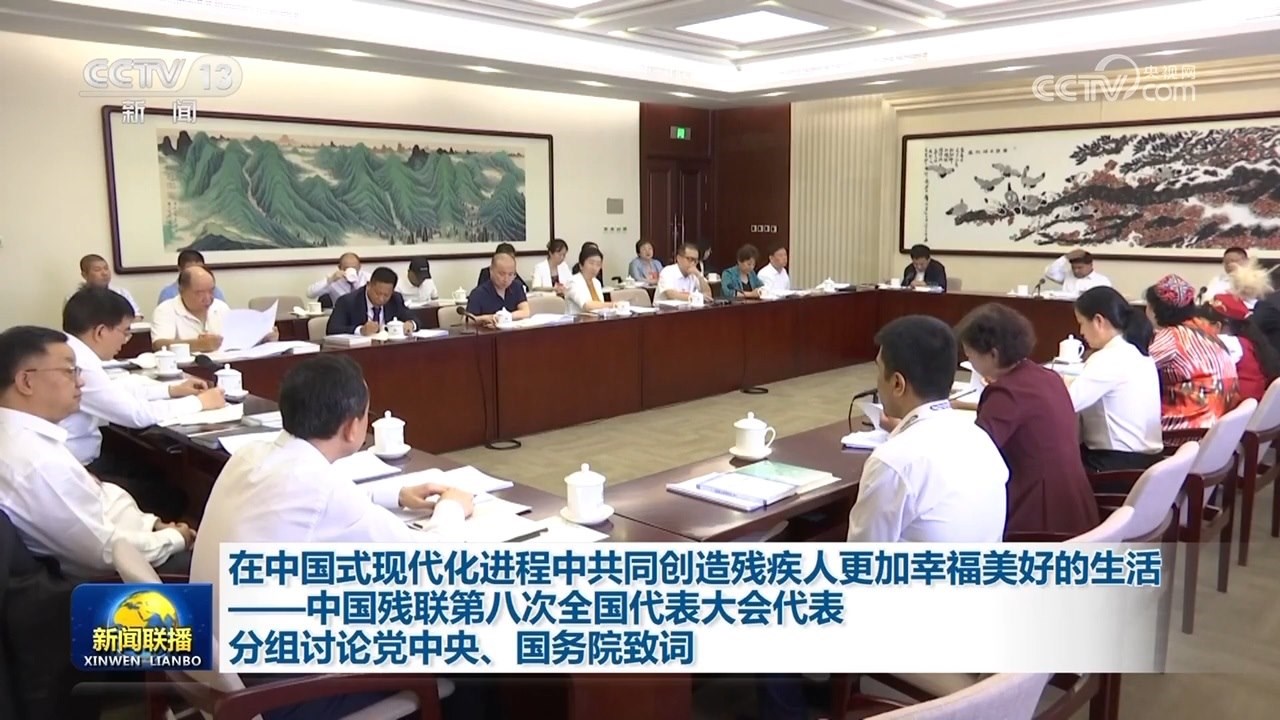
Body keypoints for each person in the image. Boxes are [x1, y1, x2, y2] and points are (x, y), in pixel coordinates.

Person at [190, 355, 489, 720]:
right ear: (351, 428)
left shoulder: (251, 455)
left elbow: (315, 506)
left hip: (225, 659)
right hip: (281, 691)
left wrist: (395, 494)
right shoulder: (319, 488)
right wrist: (453, 506)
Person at [0, 326, 193, 578]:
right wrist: (174, 538)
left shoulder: (25, 436)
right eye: (69, 371)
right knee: (221, 564)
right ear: (26, 382)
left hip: (121, 541)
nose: (80, 381)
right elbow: (104, 553)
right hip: (106, 580)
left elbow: (98, 498)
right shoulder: (38, 462)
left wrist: (150, 525)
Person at [955, 303, 1099, 536]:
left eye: (970, 355)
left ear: (993, 354)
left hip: (1038, 518)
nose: (970, 362)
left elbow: (976, 457)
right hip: (1076, 508)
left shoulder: (1006, 393)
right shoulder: (1048, 376)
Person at [61, 287, 224, 470]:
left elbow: (112, 391)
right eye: (125, 332)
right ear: (100, 332)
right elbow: (136, 415)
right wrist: (199, 402)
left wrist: (171, 390)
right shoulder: (80, 365)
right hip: (77, 466)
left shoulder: (68, 350)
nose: (126, 340)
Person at [1069, 287, 1164, 472]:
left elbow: (1065, 403)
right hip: (1146, 461)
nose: (1081, 331)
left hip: (1116, 465)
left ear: (1098, 321)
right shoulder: (1136, 351)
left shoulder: (1109, 357)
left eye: (1081, 323)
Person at [1146, 274, 1240, 431]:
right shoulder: (1206, 331)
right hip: (1220, 428)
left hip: (1190, 429)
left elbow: (1133, 370)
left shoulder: (1172, 337)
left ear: (1154, 309)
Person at [1203, 293, 1280, 403]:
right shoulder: (1252, 343)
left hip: (1236, 404)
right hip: (1250, 404)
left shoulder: (1230, 345)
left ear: (1219, 325)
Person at [152, 265, 231, 352]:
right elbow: (159, 345)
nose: (207, 298)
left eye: (211, 291)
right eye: (200, 293)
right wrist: (198, 344)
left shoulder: (221, 307)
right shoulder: (165, 309)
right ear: (182, 291)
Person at [327, 267, 417, 336]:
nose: (381, 298)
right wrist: (361, 330)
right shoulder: (348, 301)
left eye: (386, 295)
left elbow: (413, 318)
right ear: (368, 285)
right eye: (377, 293)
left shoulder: (395, 299)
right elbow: (332, 329)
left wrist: (411, 324)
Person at [466, 252, 531, 327]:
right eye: (502, 274)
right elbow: (466, 320)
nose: (506, 279)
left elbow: (525, 311)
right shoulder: (478, 293)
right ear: (491, 271)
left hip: (514, 332)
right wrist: (484, 319)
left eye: (510, 274)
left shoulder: (517, 286)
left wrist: (505, 317)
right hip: (489, 333)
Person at [156, 249, 226, 305]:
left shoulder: (214, 291)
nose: (196, 273)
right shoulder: (168, 294)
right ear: (180, 269)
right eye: (191, 270)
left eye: (200, 269)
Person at [565, 245, 615, 315]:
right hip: (578, 320)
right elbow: (586, 306)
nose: (594, 268)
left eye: (598, 264)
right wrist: (613, 305)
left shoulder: (596, 282)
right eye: (591, 263)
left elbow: (601, 306)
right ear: (581, 265)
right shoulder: (573, 282)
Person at [1044, 249, 1110, 295]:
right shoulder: (1067, 276)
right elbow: (1049, 272)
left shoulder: (1101, 281)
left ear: (1090, 265)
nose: (1076, 271)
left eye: (1079, 268)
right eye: (1073, 268)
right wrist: (1066, 257)